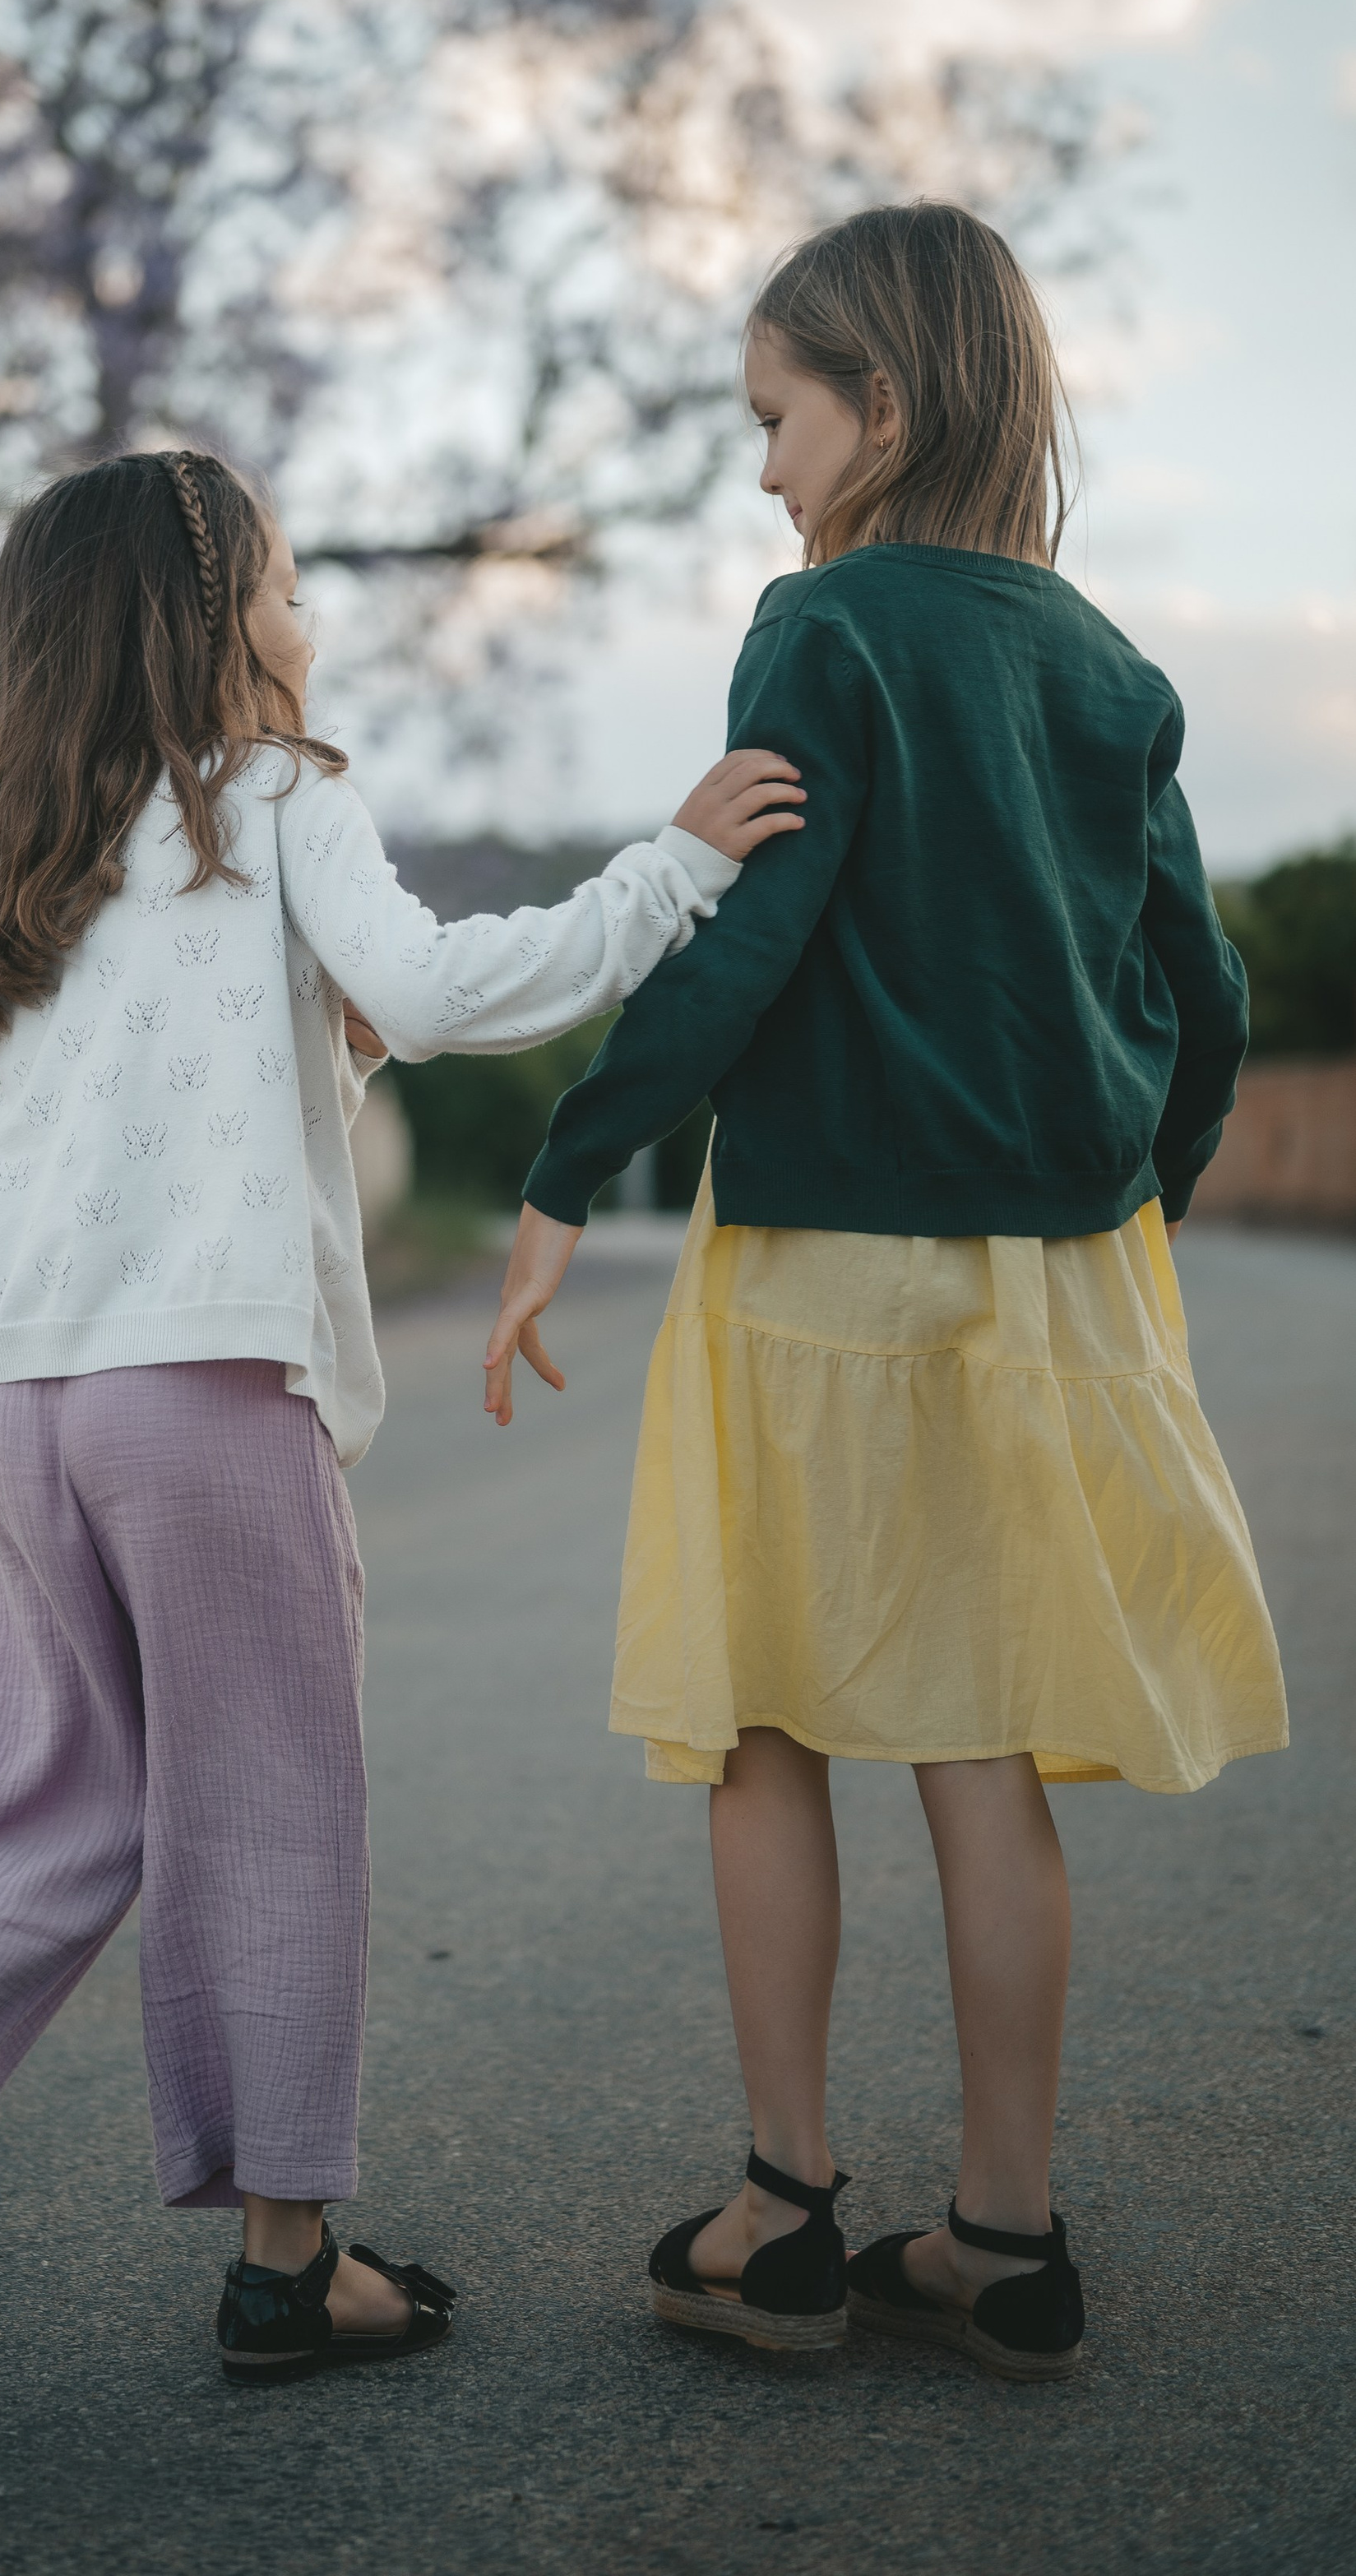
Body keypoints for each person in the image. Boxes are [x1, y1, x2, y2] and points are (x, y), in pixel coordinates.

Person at [0, 447, 805, 2386]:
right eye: (286, 582)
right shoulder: (273, 790)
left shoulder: (30, 835)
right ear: (212, 621)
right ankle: (291, 2265)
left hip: (15, 1397)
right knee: (272, 1805)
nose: (309, 617)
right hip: (199, 1392)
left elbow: (185, 1073)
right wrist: (675, 866)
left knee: (56, 1800)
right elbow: (450, 987)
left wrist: (326, 1034)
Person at [482, 202, 1288, 2383]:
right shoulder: (1110, 668)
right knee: (985, 1746)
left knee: (766, 1722)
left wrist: (570, 1162)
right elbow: (1197, 989)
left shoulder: (823, 631)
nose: (763, 473)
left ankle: (787, 2213)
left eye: (774, 418)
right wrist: (1153, 1188)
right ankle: (1007, 2240)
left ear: (889, 402)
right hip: (1060, 1281)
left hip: (826, 1272)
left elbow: (750, 942)